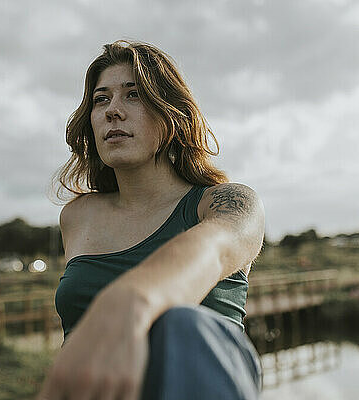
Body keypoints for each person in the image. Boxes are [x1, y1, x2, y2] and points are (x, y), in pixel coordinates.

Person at [38, 40, 265, 400]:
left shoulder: (227, 203)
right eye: (101, 99)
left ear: (170, 115)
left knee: (182, 324)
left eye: (133, 95)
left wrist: (131, 302)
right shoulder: (78, 216)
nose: (113, 110)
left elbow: (216, 250)